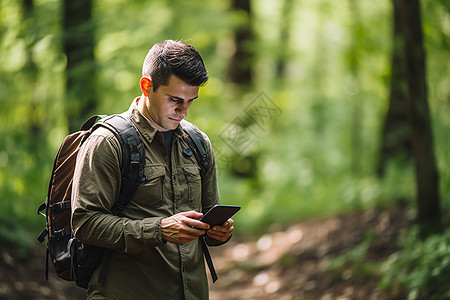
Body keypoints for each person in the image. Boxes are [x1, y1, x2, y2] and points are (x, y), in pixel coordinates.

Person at [71, 40, 234, 299]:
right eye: (175, 100)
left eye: (191, 101)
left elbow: (207, 220)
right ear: (147, 86)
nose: (183, 111)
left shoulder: (198, 142)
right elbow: (85, 223)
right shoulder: (108, 142)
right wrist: (158, 230)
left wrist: (219, 232)